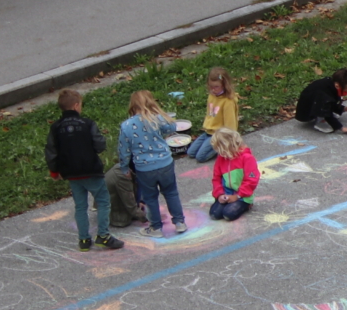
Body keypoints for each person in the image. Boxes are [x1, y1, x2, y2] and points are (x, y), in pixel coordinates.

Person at [45, 90, 123, 251]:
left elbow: (51, 151)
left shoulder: (56, 128)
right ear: (76, 105)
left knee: (80, 206)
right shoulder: (87, 124)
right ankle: (103, 235)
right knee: (103, 201)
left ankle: (84, 240)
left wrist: (54, 171)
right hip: (90, 169)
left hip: (71, 173)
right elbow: (100, 145)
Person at [117, 90, 186, 238]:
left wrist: (124, 168)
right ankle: (180, 222)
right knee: (171, 192)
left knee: (150, 198)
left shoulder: (126, 126)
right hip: (165, 163)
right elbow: (173, 127)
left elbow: (123, 150)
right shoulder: (157, 119)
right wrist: (159, 113)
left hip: (144, 168)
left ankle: (156, 228)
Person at [207, 129, 260, 221]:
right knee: (214, 214)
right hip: (226, 193)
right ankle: (229, 202)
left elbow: (252, 181)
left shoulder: (247, 158)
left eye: (222, 150)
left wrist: (237, 196)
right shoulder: (221, 158)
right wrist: (219, 194)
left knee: (228, 215)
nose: (220, 153)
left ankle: (247, 205)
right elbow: (216, 178)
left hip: (242, 196)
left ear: (230, 146)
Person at [190, 66, 239, 163]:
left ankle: (221, 148)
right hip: (208, 132)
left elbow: (230, 124)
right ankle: (213, 145)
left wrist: (228, 141)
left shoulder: (227, 101)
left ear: (224, 85)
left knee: (200, 157)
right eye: (210, 86)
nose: (213, 89)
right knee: (191, 153)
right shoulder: (212, 96)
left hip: (218, 135)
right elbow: (210, 115)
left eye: (216, 87)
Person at [296, 68, 347, 133]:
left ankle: (321, 117)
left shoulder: (332, 86)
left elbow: (332, 104)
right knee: (325, 111)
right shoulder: (325, 95)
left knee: (327, 106)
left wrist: (344, 108)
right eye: (346, 91)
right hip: (305, 111)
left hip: (315, 102)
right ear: (337, 86)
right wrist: (341, 128)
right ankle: (320, 121)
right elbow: (327, 113)